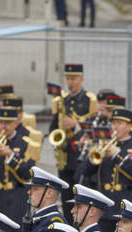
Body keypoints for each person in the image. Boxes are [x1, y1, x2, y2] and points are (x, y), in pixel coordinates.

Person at [48, 64, 97, 217]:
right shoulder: (62, 100)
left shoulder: (90, 100)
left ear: (81, 79)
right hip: (64, 156)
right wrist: (56, 138)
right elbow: (53, 127)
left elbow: (94, 127)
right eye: (68, 79)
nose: (70, 82)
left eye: (74, 79)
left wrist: (76, 126)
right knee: (66, 198)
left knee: (81, 198)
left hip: (81, 158)